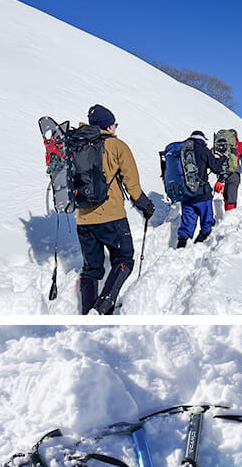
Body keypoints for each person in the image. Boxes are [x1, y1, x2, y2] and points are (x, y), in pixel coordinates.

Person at [75, 104, 156, 315]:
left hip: (83, 219)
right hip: (111, 216)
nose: (115, 128)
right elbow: (132, 184)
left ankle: (88, 313)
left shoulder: (76, 145)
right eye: (114, 124)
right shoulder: (116, 146)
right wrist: (145, 205)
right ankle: (102, 309)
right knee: (124, 258)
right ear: (108, 126)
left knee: (91, 269)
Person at [163, 131, 225, 248]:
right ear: (202, 139)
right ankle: (200, 246)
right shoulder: (203, 150)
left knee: (187, 225)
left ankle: (181, 247)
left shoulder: (181, 150)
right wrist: (221, 159)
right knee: (207, 224)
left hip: (186, 195)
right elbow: (216, 169)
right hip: (202, 195)